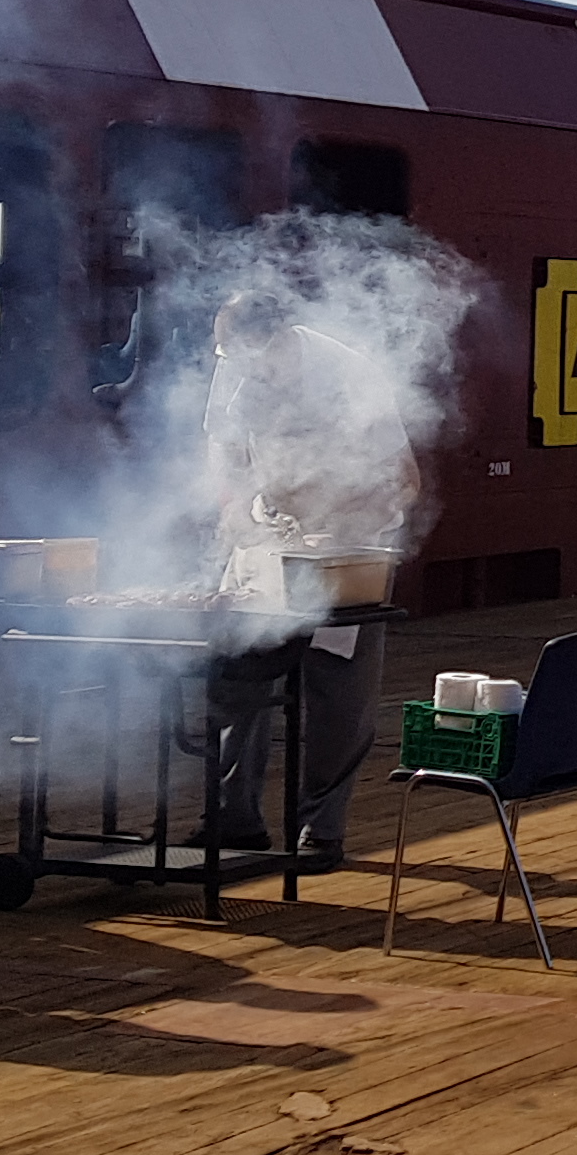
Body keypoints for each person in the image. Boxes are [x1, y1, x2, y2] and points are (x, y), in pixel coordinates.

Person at [198, 287, 415, 865]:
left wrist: (326, 502)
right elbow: (223, 457)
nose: (236, 369)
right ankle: (233, 815)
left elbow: (403, 478)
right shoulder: (235, 370)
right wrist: (236, 512)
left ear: (280, 341)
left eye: (245, 356)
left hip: (345, 551)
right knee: (239, 674)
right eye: (227, 358)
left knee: (335, 689)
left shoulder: (349, 375)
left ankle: (322, 828)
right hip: (267, 544)